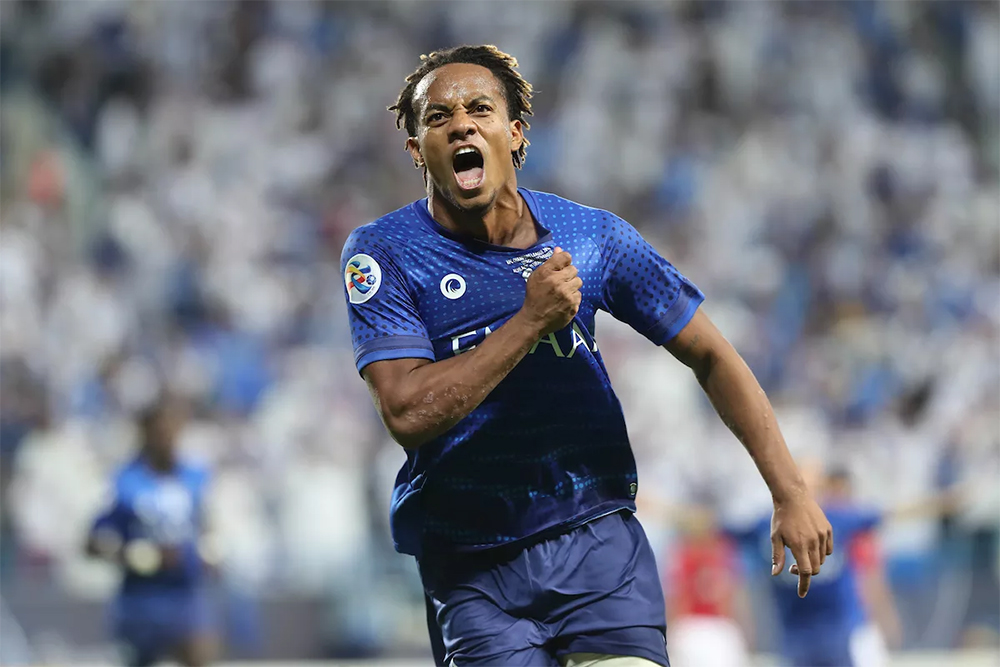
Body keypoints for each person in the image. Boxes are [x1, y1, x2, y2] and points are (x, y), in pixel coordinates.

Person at [340, 44, 832, 667]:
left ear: (515, 132)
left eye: (480, 109)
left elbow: (710, 353)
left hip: (595, 538)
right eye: (438, 118)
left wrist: (789, 491)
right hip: (471, 563)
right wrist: (530, 321)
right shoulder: (383, 253)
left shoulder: (592, 236)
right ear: (417, 150)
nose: (461, 125)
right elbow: (407, 412)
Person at [84, 398, 220, 667]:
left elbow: (205, 525)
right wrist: (134, 555)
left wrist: (208, 551)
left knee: (200, 652)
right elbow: (93, 543)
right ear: (145, 434)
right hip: (141, 600)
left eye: (172, 431)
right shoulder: (124, 482)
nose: (167, 439)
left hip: (185, 595)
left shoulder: (194, 477)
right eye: (160, 432)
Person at [730, 463, 901, 667]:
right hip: (794, 631)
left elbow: (886, 514)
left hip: (837, 628)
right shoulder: (767, 524)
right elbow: (718, 528)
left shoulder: (836, 519)